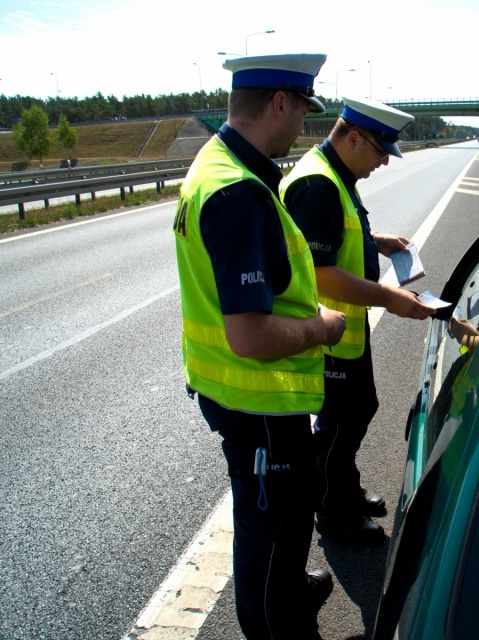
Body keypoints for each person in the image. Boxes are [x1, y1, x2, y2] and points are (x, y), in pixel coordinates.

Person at [172, 53, 346, 640]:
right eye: (302, 108)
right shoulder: (238, 193)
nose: (303, 123)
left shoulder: (218, 166)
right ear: (279, 103)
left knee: (286, 518)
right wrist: (322, 328)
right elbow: (249, 334)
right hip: (259, 405)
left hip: (245, 397)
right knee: (268, 540)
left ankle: (292, 595)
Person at [281, 97, 435, 546]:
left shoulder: (336, 175)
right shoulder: (318, 185)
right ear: (353, 138)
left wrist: (376, 240)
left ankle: (341, 488)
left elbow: (333, 234)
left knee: (357, 410)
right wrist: (390, 297)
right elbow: (321, 272)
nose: (384, 161)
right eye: (380, 151)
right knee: (337, 423)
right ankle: (332, 511)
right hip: (328, 332)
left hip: (346, 330)